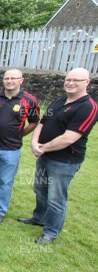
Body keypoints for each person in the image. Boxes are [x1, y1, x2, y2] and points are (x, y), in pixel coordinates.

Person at [19, 68, 97, 243]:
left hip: (65, 160)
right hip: (45, 156)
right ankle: (38, 217)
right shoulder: (59, 101)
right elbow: (42, 123)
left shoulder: (88, 107)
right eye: (68, 79)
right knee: (40, 189)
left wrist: (43, 148)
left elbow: (70, 138)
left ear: (87, 82)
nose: (70, 83)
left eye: (76, 80)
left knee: (56, 197)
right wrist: (34, 143)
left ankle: (51, 231)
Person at [0, 69, 39, 223]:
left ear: (21, 80)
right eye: (7, 78)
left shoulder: (29, 100)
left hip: (11, 149)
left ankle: (0, 210)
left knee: (6, 181)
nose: (9, 81)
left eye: (13, 78)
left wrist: (20, 134)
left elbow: (34, 122)